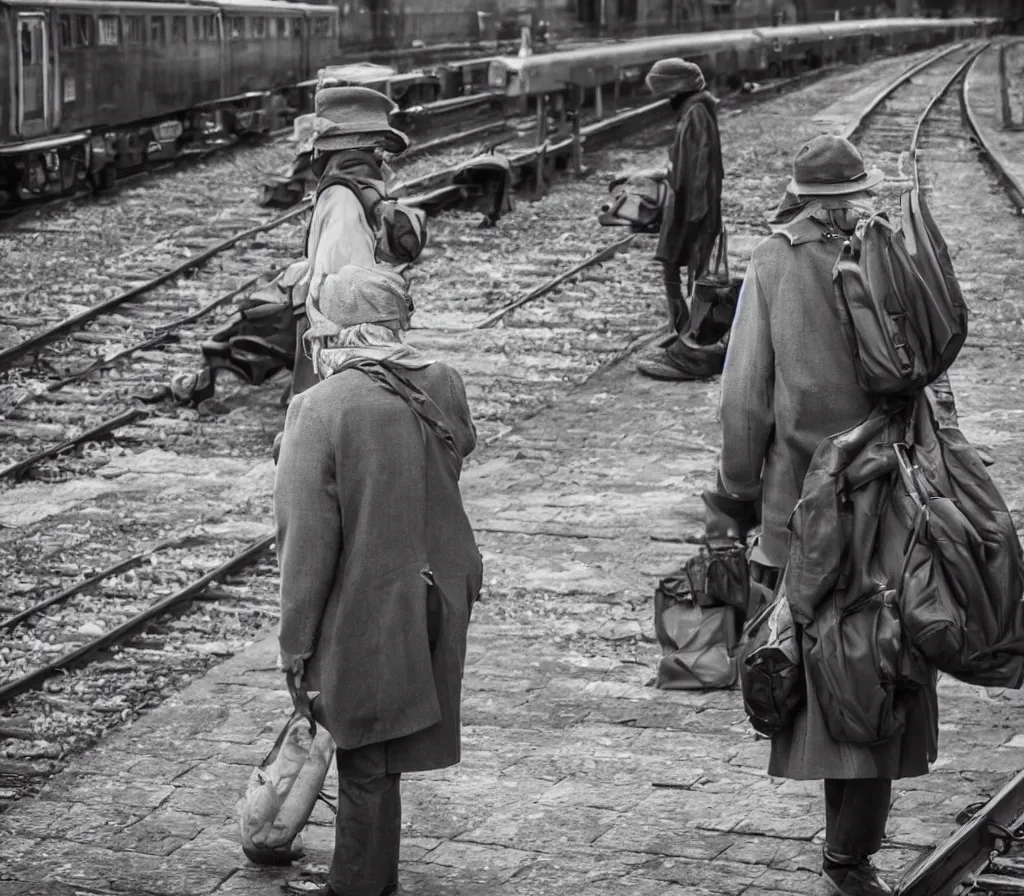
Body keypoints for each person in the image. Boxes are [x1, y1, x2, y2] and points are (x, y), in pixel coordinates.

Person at [717, 135, 935, 896]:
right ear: (858, 194)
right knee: (882, 664)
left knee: (817, 671)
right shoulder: (888, 250)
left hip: (800, 509)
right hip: (890, 502)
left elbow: (745, 400)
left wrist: (740, 490)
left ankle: (846, 851)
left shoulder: (774, 263)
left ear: (798, 196)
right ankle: (852, 852)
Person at [274, 265, 482, 896]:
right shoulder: (442, 381)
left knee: (363, 743)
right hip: (437, 587)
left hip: (367, 598)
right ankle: (363, 874)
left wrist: (296, 644)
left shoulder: (317, 409)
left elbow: (304, 545)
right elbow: (461, 443)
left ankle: (359, 885)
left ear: (333, 332)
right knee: (382, 742)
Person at [636, 58, 724, 381]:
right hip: (689, 210)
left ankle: (693, 348)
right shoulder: (694, 113)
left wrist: (690, 222)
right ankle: (685, 334)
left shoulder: (696, 116)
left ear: (678, 92)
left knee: (696, 279)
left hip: (693, 212)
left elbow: (698, 175)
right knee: (678, 273)